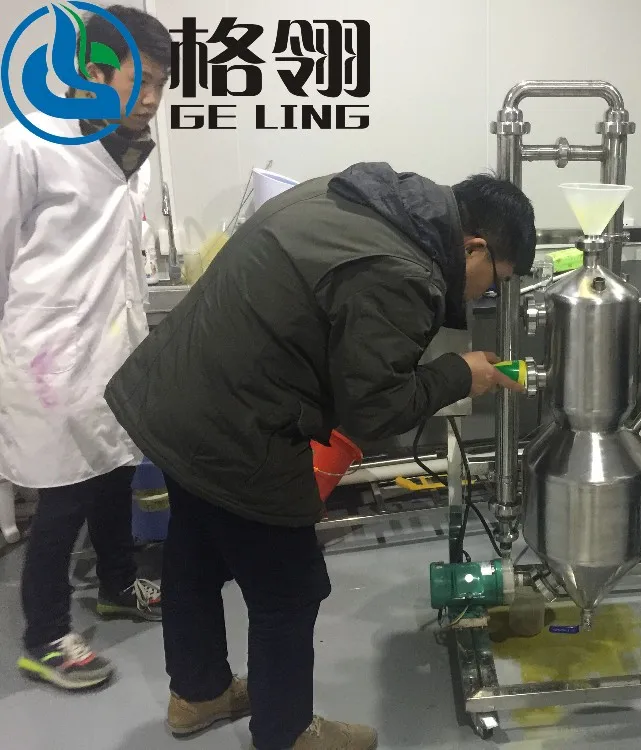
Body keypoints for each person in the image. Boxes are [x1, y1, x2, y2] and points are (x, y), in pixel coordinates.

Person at [104, 163, 535, 750]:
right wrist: (461, 373)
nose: (487, 294)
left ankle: (198, 693)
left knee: (195, 554)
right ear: (474, 246)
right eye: (496, 280)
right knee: (291, 587)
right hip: (236, 423)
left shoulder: (356, 198)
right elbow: (375, 410)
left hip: (175, 397)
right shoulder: (403, 271)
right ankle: (285, 733)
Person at [0, 6, 173, 692]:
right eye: (142, 81)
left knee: (113, 474)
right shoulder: (26, 146)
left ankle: (118, 586)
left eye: (161, 85)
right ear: (95, 73)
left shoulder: (131, 151)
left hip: (111, 352)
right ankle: (43, 637)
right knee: (62, 500)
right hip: (49, 360)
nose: (152, 99)